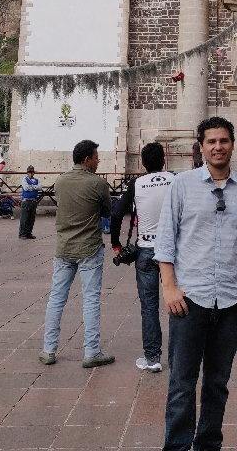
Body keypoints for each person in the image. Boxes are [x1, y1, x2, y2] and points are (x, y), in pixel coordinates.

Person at [154, 116, 237, 451]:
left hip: (231, 299)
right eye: (211, 142)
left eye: (224, 141)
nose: (218, 147)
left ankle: (208, 445)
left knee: (218, 383)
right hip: (189, 298)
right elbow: (165, 239)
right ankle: (176, 446)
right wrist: (169, 287)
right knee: (182, 383)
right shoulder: (182, 184)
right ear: (201, 147)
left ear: (233, 144)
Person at [40, 139, 114, 368]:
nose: (98, 161)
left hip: (64, 247)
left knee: (56, 298)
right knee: (90, 299)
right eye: (96, 157)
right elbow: (107, 211)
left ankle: (48, 349)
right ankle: (91, 352)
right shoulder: (98, 184)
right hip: (89, 247)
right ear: (87, 159)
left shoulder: (60, 181)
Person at [111, 142, 174, 372]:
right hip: (171, 251)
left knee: (149, 306)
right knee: (178, 301)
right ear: (164, 160)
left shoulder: (136, 183)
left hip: (146, 249)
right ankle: (179, 356)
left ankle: (152, 358)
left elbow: (117, 214)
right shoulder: (175, 179)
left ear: (143, 163)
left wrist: (116, 244)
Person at [19, 165, 40, 239]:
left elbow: (40, 187)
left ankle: (28, 233)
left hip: (33, 201)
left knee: (31, 219)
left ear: (34, 173)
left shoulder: (37, 180)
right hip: (26, 201)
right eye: (29, 172)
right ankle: (22, 234)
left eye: (32, 172)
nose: (30, 173)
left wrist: (31, 187)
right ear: (27, 173)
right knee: (24, 218)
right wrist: (35, 187)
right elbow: (26, 188)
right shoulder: (24, 179)